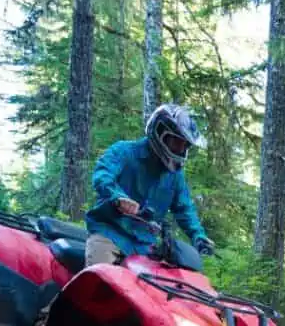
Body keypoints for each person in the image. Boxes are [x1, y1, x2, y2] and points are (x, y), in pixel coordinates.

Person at [84, 103, 215, 266]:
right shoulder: (124, 151)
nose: (181, 149)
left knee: (165, 288)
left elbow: (185, 208)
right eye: (176, 142)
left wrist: (199, 236)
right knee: (100, 277)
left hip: (145, 247)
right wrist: (118, 197)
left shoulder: (174, 175)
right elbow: (102, 176)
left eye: (185, 145)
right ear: (159, 132)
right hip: (110, 234)